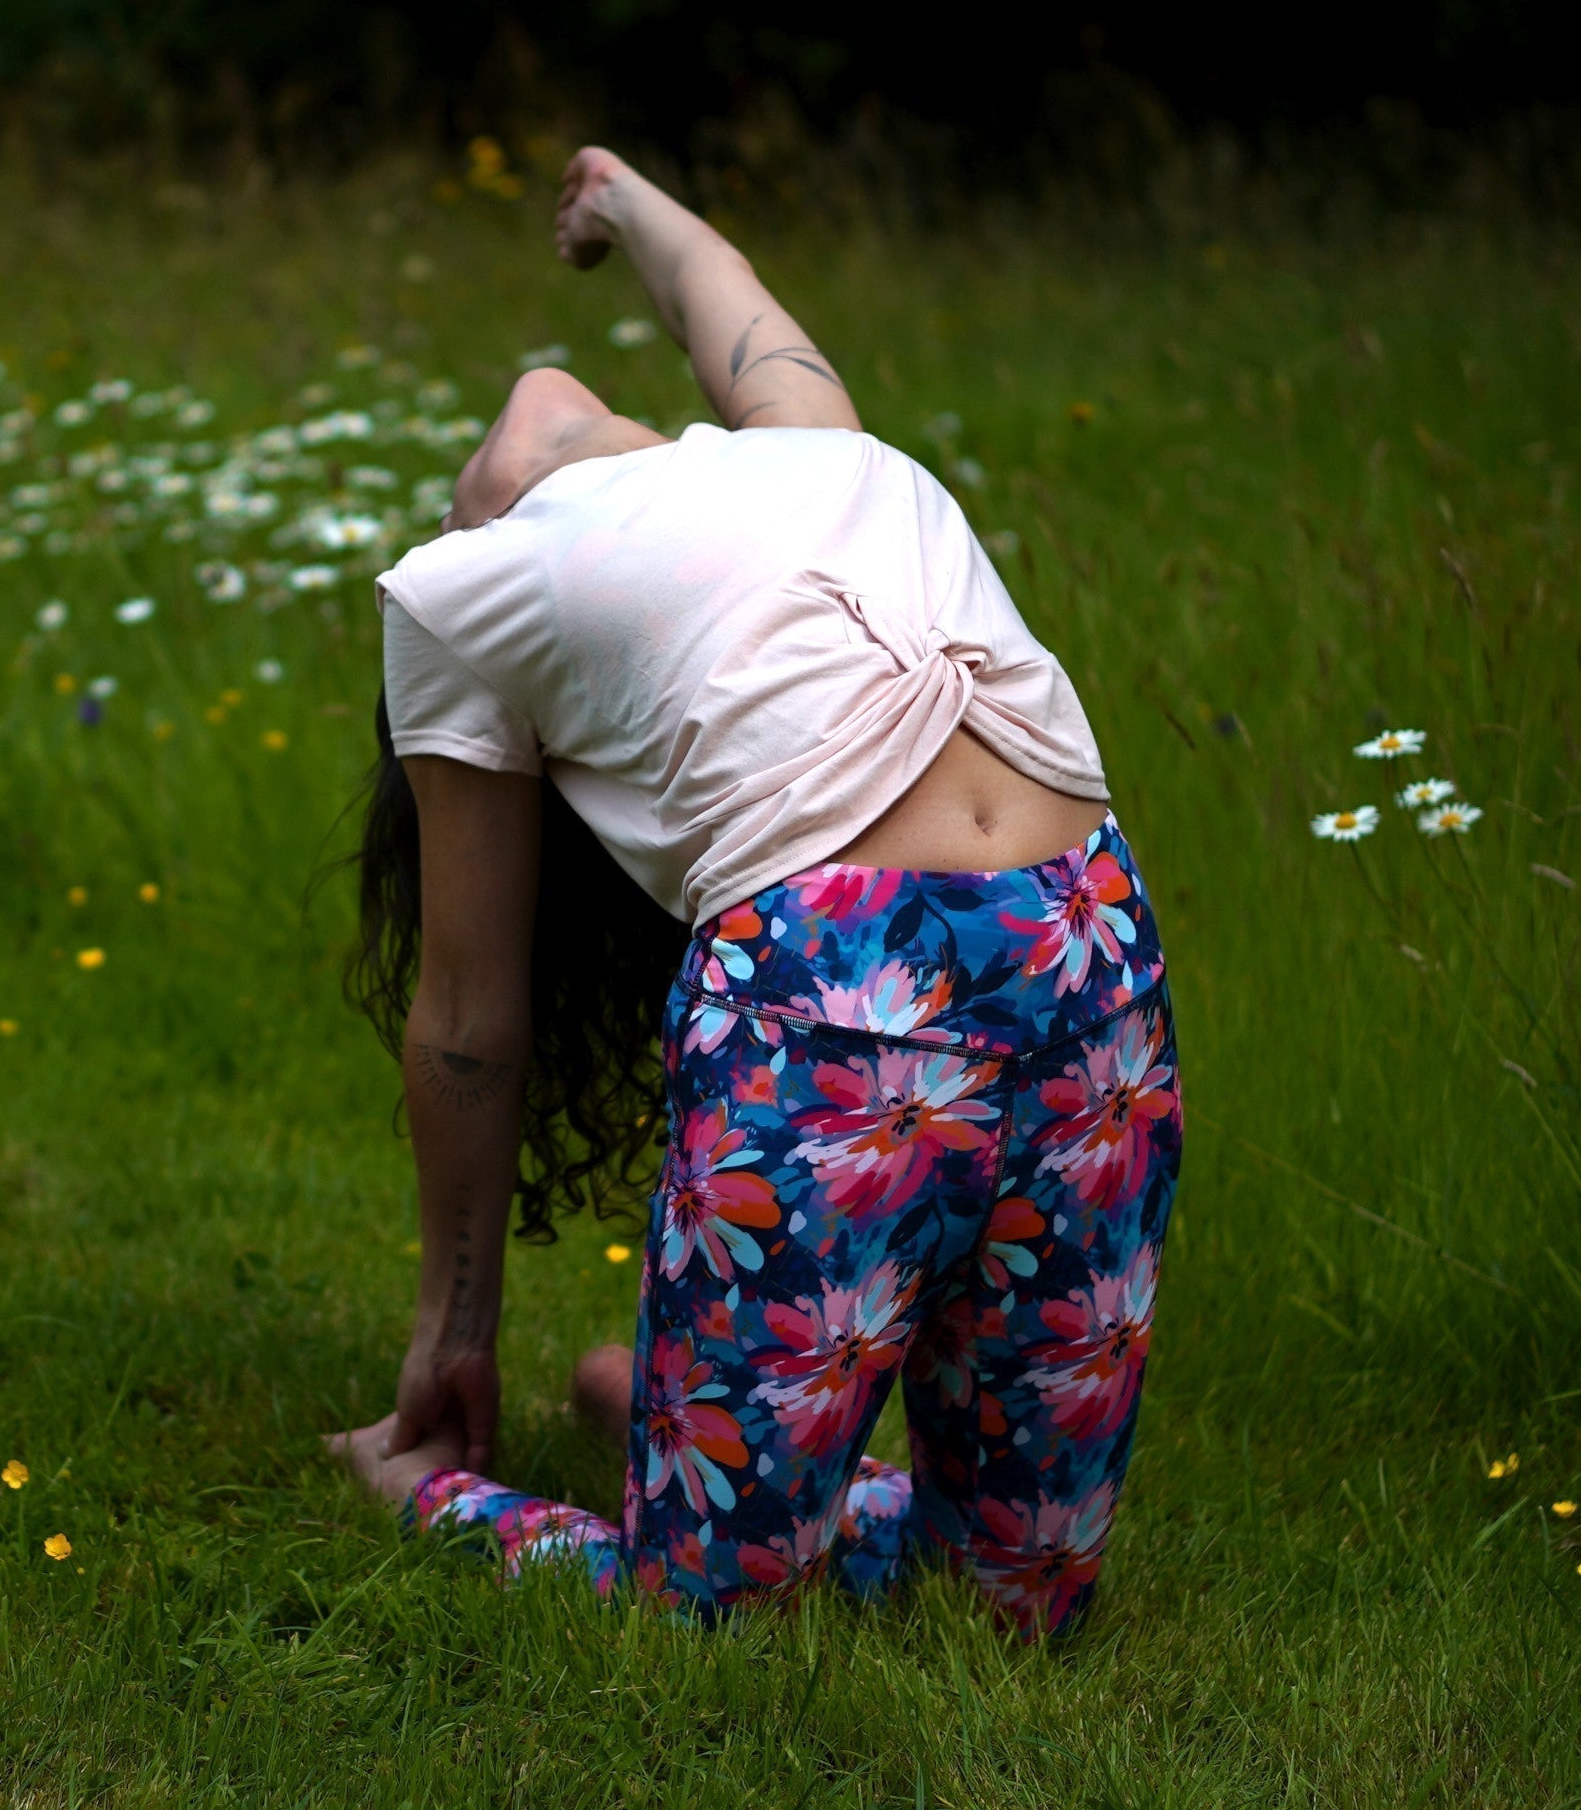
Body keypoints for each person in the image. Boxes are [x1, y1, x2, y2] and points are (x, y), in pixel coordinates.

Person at [327, 147, 1179, 1638]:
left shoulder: (802, 455)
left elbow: (732, 309)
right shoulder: (469, 589)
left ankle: (684, 1424)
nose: (544, 400)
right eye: (517, 443)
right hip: (861, 1002)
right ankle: (430, 1484)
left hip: (1086, 973)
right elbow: (468, 1017)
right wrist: (452, 1337)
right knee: (708, 1627)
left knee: (1018, 1613)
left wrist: (621, 199)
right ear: (489, 513)